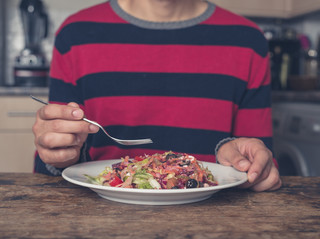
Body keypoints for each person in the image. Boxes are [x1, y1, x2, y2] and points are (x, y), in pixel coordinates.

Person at [32, 0, 281, 191]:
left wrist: (252, 167)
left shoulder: (247, 41)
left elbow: (260, 163)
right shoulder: (75, 34)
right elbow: (53, 164)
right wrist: (58, 153)